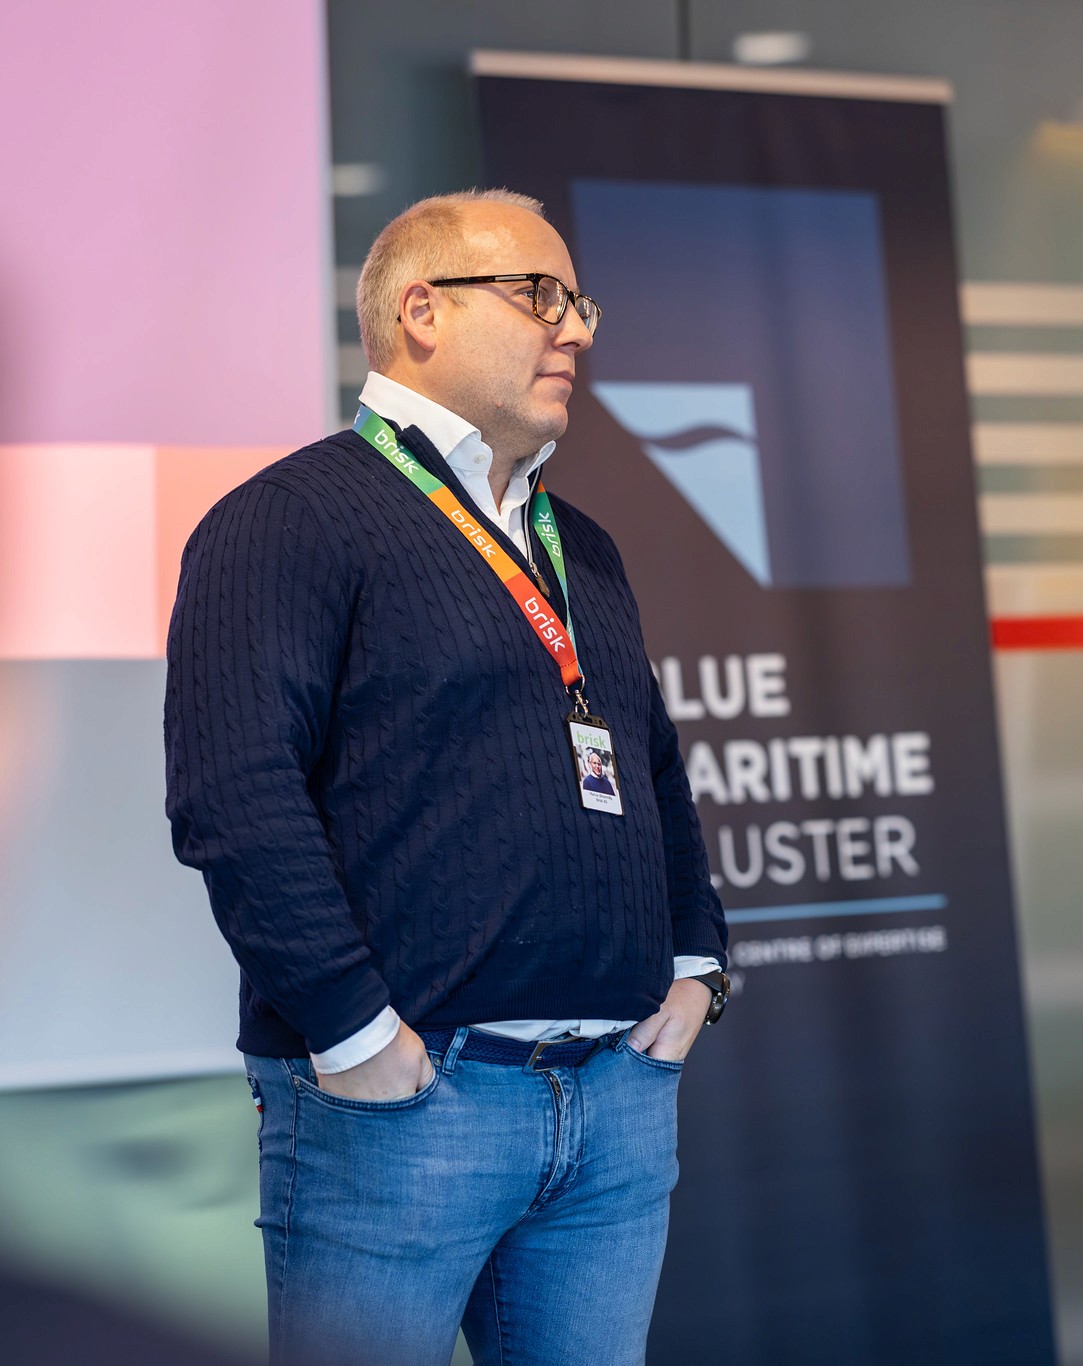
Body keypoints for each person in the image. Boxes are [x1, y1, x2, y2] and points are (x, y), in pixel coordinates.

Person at [165, 189, 730, 1366]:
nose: (573, 330)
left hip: (615, 1104)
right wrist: (358, 1040)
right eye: (541, 296)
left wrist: (694, 967)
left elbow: (652, 767)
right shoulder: (283, 521)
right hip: (406, 1112)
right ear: (420, 309)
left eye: (579, 305)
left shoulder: (583, 543)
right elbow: (235, 797)